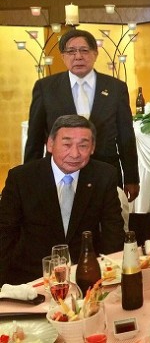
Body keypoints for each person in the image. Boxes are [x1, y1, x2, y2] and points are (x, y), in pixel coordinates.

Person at [0, 115, 125, 285]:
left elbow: (113, 233)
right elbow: (5, 235)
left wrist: (113, 277)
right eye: (67, 144)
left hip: (86, 275)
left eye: (83, 146)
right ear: (50, 144)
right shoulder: (22, 178)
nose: (75, 154)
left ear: (93, 148)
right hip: (32, 279)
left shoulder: (104, 175)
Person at [24, 28, 140, 202]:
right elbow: (35, 137)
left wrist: (131, 177)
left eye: (84, 50)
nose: (78, 56)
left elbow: (126, 136)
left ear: (95, 53)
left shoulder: (116, 88)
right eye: (71, 51)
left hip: (105, 172)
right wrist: (29, 177)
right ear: (63, 56)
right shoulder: (46, 88)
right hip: (60, 173)